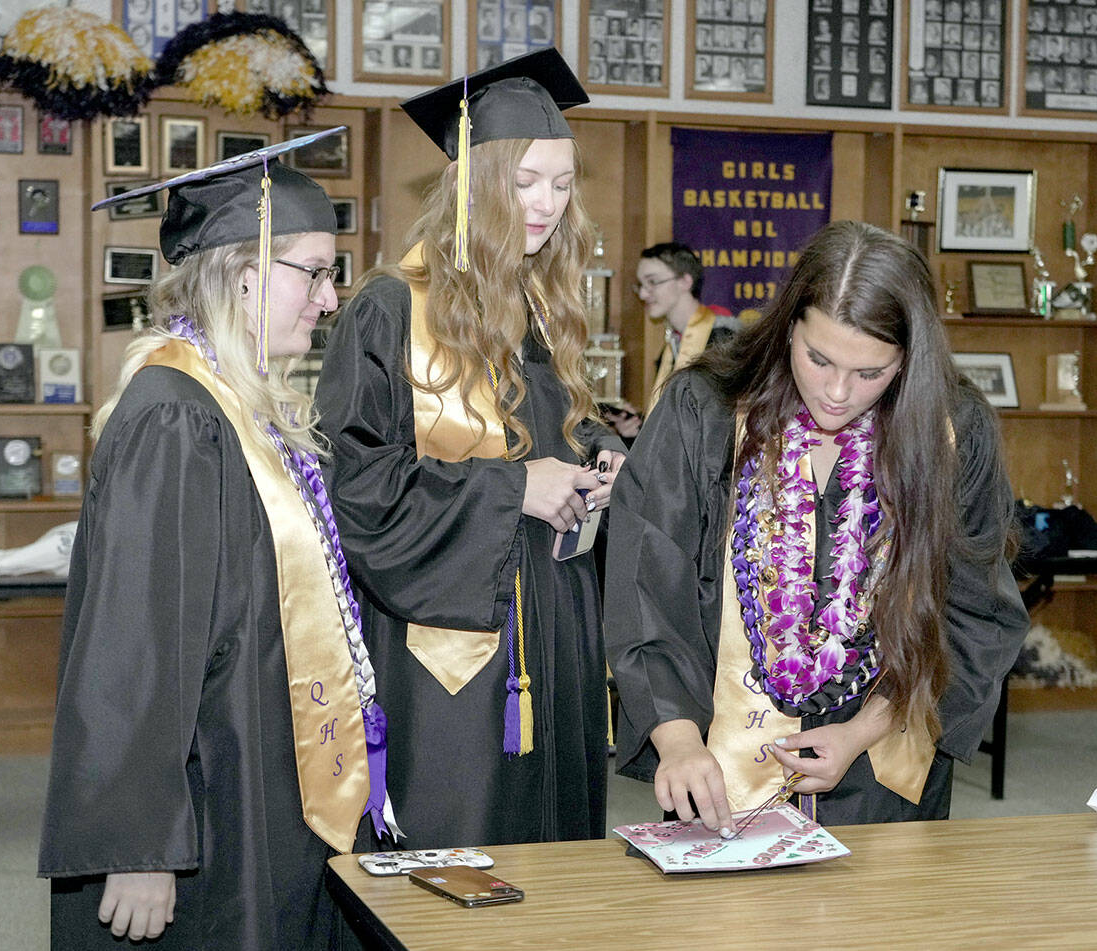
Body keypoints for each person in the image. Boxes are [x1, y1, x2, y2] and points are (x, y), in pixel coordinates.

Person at [38, 131, 395, 947]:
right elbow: (133, 644)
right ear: (242, 274)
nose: (330, 298)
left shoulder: (243, 406)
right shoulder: (175, 415)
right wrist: (138, 843)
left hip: (265, 764)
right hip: (208, 796)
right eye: (314, 271)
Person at [605, 221, 1028, 834]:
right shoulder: (705, 410)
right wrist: (675, 741)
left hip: (885, 752)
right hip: (718, 763)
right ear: (788, 328)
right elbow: (648, 585)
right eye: (819, 357)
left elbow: (974, 613)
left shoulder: (951, 431)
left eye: (871, 373)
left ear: (910, 359)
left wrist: (862, 731)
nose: (836, 392)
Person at [313, 49, 624, 850]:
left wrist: (598, 459)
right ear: (475, 182)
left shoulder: (543, 304)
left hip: (555, 625)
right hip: (452, 650)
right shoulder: (390, 309)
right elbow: (358, 490)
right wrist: (511, 489)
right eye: (524, 182)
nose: (547, 204)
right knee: (462, 855)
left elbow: (554, 427)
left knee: (556, 855)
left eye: (561, 183)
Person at [636, 241, 740, 412]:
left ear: (685, 281)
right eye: (640, 284)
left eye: (652, 282)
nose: (643, 293)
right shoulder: (671, 348)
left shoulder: (724, 341)